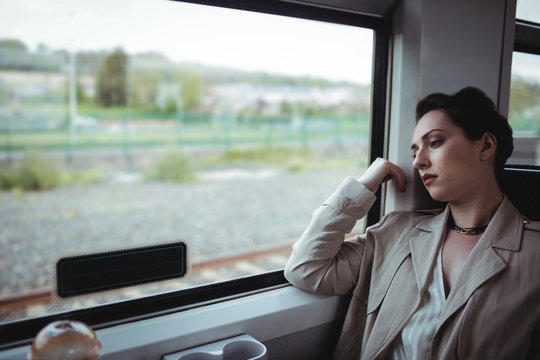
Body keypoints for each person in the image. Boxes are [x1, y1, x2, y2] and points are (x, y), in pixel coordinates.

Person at [284, 87, 540, 359]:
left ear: (486, 146)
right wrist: (363, 186)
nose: (418, 161)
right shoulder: (397, 232)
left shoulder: (534, 252)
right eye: (415, 150)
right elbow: (306, 268)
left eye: (435, 142)